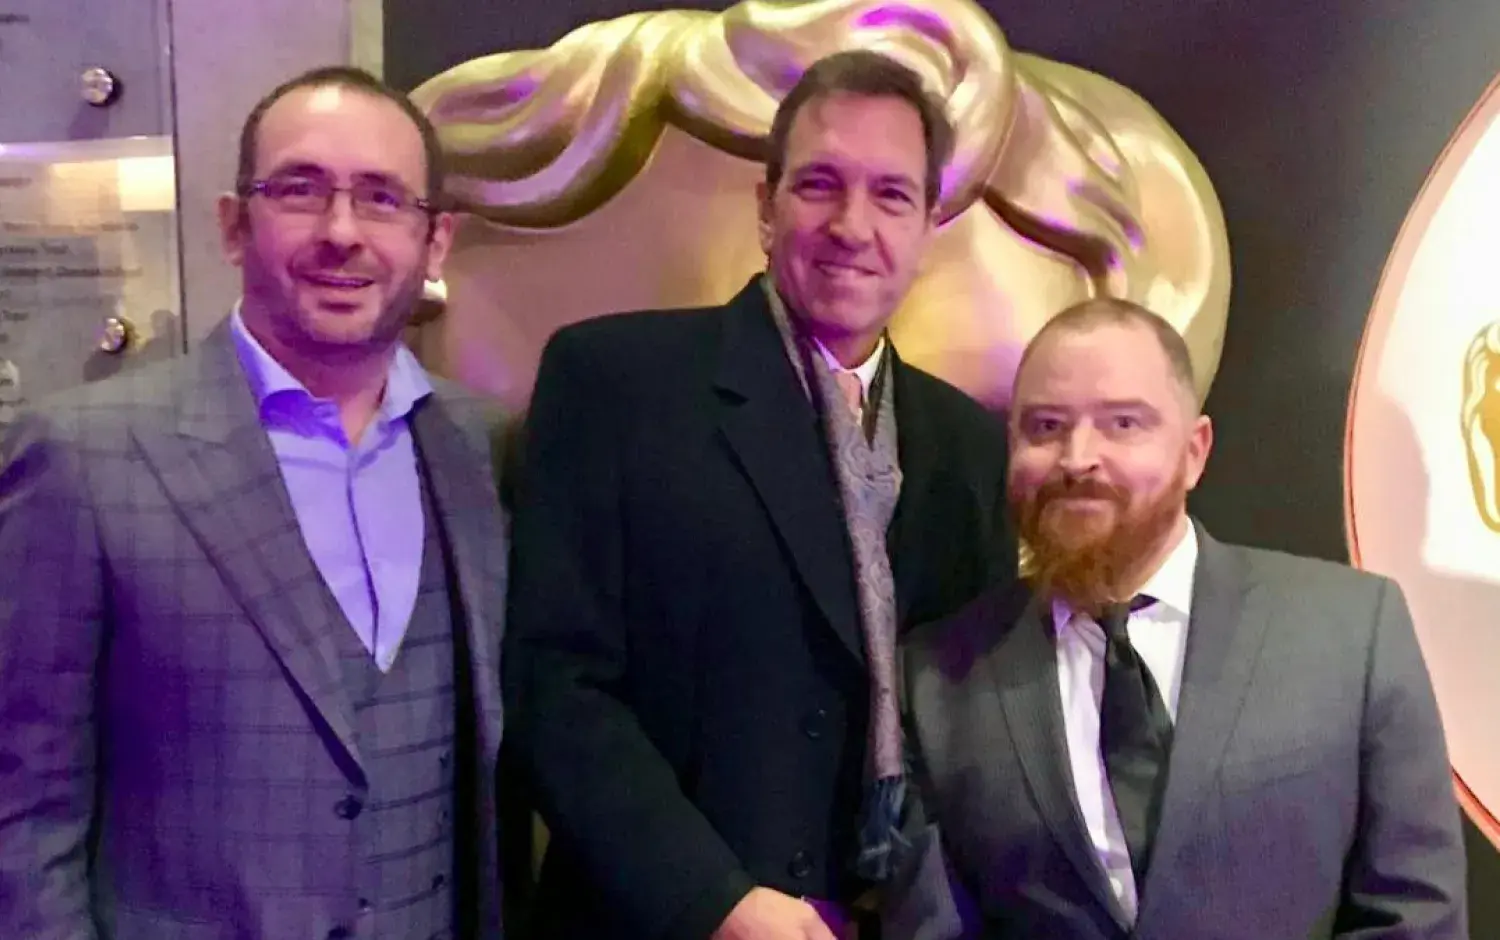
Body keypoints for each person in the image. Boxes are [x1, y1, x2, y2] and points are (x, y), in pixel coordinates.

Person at [505, 49, 1016, 940]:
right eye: (820, 184)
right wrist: (717, 903)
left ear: (931, 222)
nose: (853, 225)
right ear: (766, 206)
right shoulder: (614, 384)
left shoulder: (970, 445)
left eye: (892, 194)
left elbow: (975, 721)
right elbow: (556, 688)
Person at [0, 66, 510, 939]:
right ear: (235, 225)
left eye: (384, 199)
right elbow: (24, 810)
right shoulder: (82, 455)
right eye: (301, 190)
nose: (342, 233)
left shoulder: (486, 447)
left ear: (436, 241)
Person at [889, 297, 1467, 939]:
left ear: (1194, 451)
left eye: (1123, 424)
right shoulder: (937, 678)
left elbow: (1416, 919)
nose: (1077, 457)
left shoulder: (1352, 632)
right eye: (1046, 427)